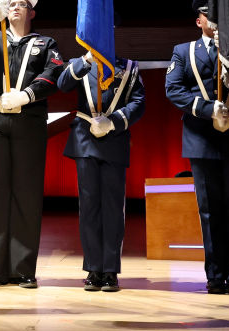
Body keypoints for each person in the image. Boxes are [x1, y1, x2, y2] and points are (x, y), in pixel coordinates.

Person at [164, 0, 229, 295]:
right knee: (209, 209)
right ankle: (215, 275)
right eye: (209, 15)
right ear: (199, 21)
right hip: (202, 136)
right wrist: (207, 109)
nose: (215, 20)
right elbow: (174, 90)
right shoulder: (183, 51)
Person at [0, 0, 64, 289]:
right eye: (11, 4)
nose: (15, 8)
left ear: (31, 13)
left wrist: (28, 94)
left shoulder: (44, 43)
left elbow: (56, 71)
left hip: (29, 120)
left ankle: (23, 269)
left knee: (26, 194)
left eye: (22, 5)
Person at [57, 46, 145, 293]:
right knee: (89, 207)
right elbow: (63, 84)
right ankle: (93, 268)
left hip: (114, 139)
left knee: (113, 208)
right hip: (85, 139)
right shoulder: (80, 62)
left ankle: (110, 271)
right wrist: (84, 59)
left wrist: (114, 121)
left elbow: (139, 103)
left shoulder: (128, 67)